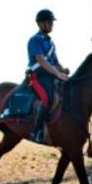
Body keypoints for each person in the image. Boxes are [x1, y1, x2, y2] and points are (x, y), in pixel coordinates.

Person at [27, 9, 70, 142]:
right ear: (40, 24)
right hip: (37, 76)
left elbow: (55, 62)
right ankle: (37, 131)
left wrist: (63, 71)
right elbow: (41, 61)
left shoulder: (51, 43)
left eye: (51, 22)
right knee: (48, 98)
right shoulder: (35, 40)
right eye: (48, 22)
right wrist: (57, 73)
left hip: (51, 75)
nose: (51, 24)